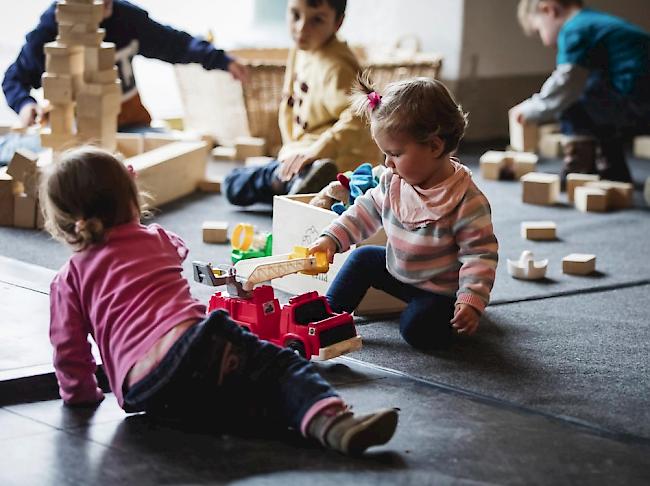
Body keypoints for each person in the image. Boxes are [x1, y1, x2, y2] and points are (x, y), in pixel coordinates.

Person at [40, 146, 398, 456]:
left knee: (226, 395)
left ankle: (245, 408)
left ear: (64, 224)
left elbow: (68, 350)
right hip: (195, 346)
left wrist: (81, 395)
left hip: (140, 390)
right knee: (278, 367)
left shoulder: (67, 279)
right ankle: (331, 422)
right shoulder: (157, 239)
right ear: (132, 198)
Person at [309, 74, 499, 350]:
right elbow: (365, 210)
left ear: (435, 146)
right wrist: (332, 238)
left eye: (395, 154)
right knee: (362, 258)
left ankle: (454, 321)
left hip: (440, 291)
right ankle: (328, 319)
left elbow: (480, 256)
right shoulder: (393, 181)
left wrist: (470, 300)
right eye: (385, 153)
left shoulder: (466, 201)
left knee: (416, 330)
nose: (387, 163)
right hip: (399, 271)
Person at [0, 0, 247, 164]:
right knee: (27, 153)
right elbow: (14, 78)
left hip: (130, 126)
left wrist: (219, 58)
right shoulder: (52, 28)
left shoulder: (126, 18)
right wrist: (25, 104)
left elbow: (175, 43)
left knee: (168, 155)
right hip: (72, 134)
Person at [224, 0, 379, 206]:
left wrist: (315, 151)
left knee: (233, 183)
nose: (301, 28)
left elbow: (362, 114)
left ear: (337, 23)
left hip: (339, 163)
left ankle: (292, 182)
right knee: (238, 179)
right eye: (295, 15)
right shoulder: (302, 49)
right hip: (305, 153)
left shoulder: (336, 66)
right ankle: (295, 185)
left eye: (317, 20)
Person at [510, 0, 650, 183]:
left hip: (638, 102)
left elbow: (566, 84)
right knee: (594, 89)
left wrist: (530, 109)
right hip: (637, 99)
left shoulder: (574, 28)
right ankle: (613, 169)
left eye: (539, 31)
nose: (544, 42)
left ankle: (579, 169)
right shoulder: (594, 21)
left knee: (575, 97)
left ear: (549, 10)